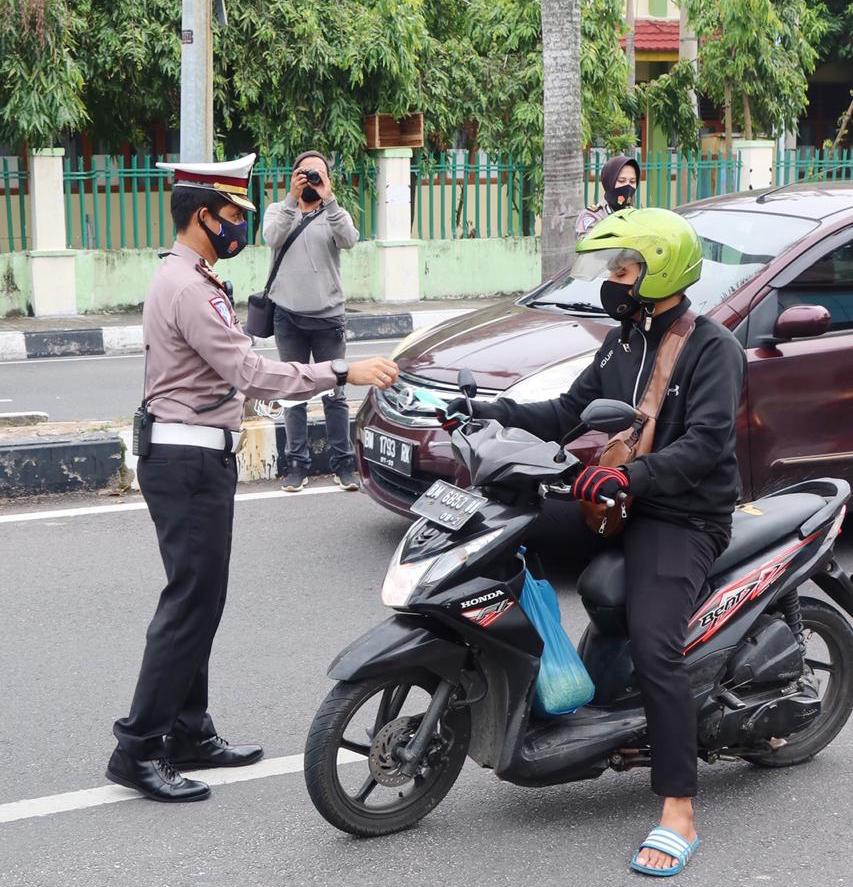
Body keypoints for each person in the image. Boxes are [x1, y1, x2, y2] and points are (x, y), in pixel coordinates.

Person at [441, 208, 746, 877]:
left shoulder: (710, 348)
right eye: (611, 267)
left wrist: (627, 473)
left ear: (659, 268)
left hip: (681, 514)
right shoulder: (623, 339)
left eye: (624, 267)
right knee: (506, 538)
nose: (613, 278)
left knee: (654, 640)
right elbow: (563, 412)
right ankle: (559, 684)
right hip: (617, 497)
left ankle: (677, 807)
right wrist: (484, 412)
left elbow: (703, 446)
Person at [107, 154, 398, 803]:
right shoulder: (188, 287)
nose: (239, 226)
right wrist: (340, 373)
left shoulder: (187, 276)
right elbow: (251, 374)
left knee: (200, 599)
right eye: (233, 215)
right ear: (203, 215)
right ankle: (137, 746)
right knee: (189, 604)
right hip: (186, 461)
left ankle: (188, 729)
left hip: (191, 455)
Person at [262, 150, 360, 493]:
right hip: (288, 317)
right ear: (294, 176)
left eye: (318, 174)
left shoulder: (334, 214)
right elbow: (272, 238)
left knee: (335, 394)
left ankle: (344, 465)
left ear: (327, 179)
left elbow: (350, 239)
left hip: (329, 318)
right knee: (293, 395)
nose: (311, 180)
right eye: (305, 174)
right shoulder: (279, 210)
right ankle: (297, 467)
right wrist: (292, 198)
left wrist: (329, 199)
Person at [575, 154, 640, 239]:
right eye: (621, 181)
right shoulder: (592, 215)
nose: (627, 186)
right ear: (609, 181)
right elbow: (587, 246)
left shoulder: (635, 215)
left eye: (632, 182)